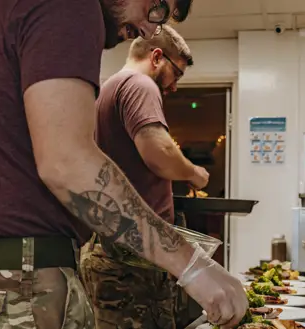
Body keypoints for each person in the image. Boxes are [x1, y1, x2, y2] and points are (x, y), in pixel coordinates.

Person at [0, 0, 247, 327]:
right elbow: (68, 164)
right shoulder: (71, 6)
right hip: (16, 280)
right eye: (157, 7)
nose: (152, 27)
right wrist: (192, 266)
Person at [79, 25, 209, 329]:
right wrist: (194, 173)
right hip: (134, 258)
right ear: (157, 56)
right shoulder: (139, 85)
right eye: (176, 74)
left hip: (114, 249)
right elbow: (158, 152)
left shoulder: (109, 89)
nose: (175, 86)